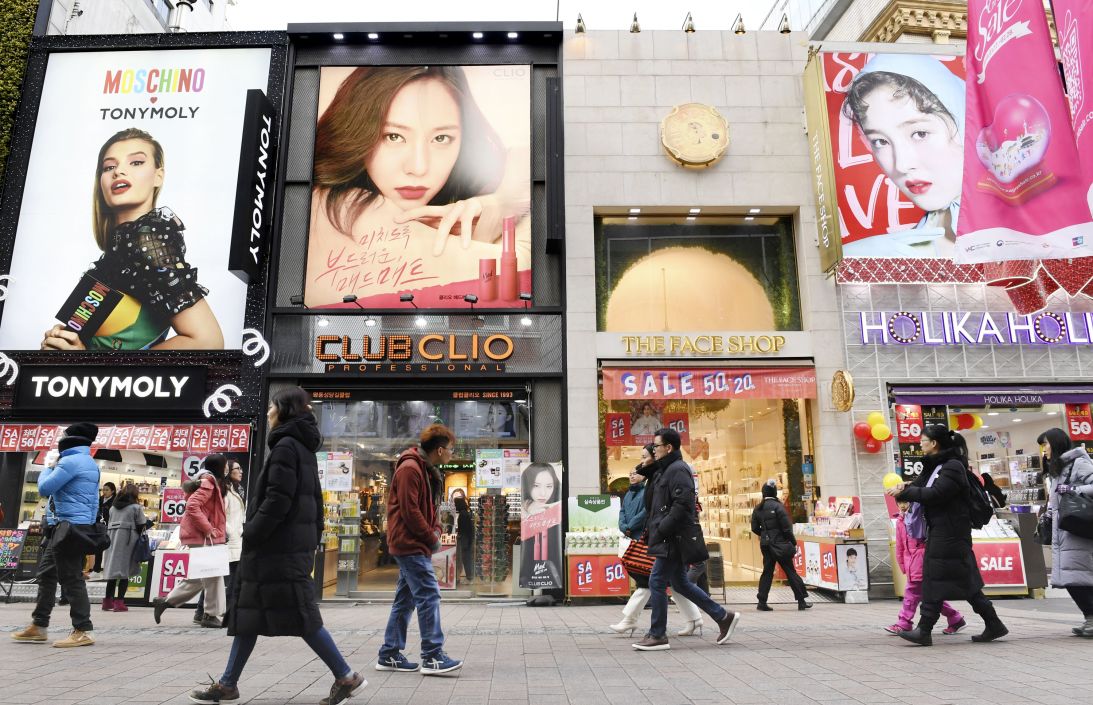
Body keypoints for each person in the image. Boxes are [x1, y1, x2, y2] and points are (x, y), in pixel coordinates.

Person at [189, 388, 365, 705]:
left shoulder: (286, 446)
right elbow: (313, 502)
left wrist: (251, 532)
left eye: (272, 406)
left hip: (275, 549)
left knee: (301, 614)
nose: (268, 412)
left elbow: (277, 501)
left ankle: (346, 675)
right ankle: (228, 683)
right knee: (249, 614)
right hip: (285, 547)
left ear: (283, 410)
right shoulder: (301, 447)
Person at [306, 66, 530, 307]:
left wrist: (494, 204)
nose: (418, 167)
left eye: (441, 138)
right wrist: (505, 205)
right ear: (356, 132)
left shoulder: (460, 202)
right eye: (393, 136)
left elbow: (525, 157)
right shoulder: (336, 206)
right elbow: (518, 272)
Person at [41, 127, 223, 351]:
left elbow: (207, 341)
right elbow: (86, 339)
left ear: (158, 176)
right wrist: (60, 344)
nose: (118, 172)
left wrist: (92, 365)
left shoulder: (148, 239)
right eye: (109, 167)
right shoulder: (117, 252)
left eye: (136, 162)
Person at [887, 426, 1008, 646]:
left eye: (923, 441)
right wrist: (905, 486)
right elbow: (923, 487)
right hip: (944, 531)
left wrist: (906, 492)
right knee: (966, 583)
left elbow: (937, 494)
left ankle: (924, 629)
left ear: (934, 443)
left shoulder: (952, 467)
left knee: (933, 579)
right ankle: (994, 623)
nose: (920, 444)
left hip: (951, 532)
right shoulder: (937, 466)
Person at [841, 54, 965, 258]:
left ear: (963, 123)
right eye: (880, 142)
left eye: (920, 134)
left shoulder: (1024, 225)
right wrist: (845, 260)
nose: (902, 165)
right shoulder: (898, 250)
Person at [632, 427, 740, 651]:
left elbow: (683, 505)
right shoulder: (665, 469)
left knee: (656, 581)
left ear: (668, 447)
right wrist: (650, 464)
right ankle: (723, 617)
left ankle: (658, 634)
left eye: (656, 446)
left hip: (673, 537)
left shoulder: (678, 470)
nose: (653, 450)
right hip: (669, 537)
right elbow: (644, 478)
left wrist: (662, 528)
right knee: (680, 583)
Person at [377, 424, 462, 675]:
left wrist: (434, 529)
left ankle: (389, 653)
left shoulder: (424, 469)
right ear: (439, 450)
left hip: (414, 543)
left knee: (405, 600)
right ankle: (433, 655)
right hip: (410, 543)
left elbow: (428, 509)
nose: (451, 454)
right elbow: (410, 511)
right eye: (450, 450)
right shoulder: (410, 469)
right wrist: (431, 537)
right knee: (429, 594)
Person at [11, 423, 101, 648]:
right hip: (67, 526)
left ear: (70, 438)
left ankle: (83, 629)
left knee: (71, 577)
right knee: (47, 574)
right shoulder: (87, 461)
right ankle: (39, 625)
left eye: (64, 434)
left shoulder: (70, 462)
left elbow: (44, 488)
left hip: (68, 527)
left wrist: (49, 466)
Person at [154, 454, 228, 629]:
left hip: (202, 535)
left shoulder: (208, 481)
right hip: (203, 535)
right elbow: (192, 506)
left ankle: (166, 601)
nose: (227, 469)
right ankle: (210, 615)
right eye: (225, 466)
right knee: (213, 575)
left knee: (201, 575)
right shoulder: (208, 482)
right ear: (219, 467)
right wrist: (208, 528)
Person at [1036, 428, 1093, 637]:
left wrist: (1074, 490)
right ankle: (1089, 618)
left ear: (1057, 443)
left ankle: (1091, 618)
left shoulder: (1079, 463)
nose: (1044, 449)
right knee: (1073, 577)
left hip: (1079, 529)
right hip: (1066, 531)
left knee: (1077, 577)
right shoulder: (1058, 468)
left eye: (1046, 444)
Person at [886, 500, 965, 635]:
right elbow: (900, 547)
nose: (903, 505)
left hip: (922, 561)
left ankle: (904, 622)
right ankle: (955, 618)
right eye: (900, 503)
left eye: (906, 502)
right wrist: (903, 565)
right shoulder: (899, 521)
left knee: (912, 592)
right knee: (930, 595)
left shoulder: (919, 517)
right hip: (911, 563)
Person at [751, 479, 811, 611]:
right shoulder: (779, 507)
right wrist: (793, 542)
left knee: (767, 572)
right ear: (774, 492)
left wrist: (765, 533)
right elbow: (786, 528)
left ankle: (762, 602)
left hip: (766, 545)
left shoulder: (758, 508)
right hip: (780, 544)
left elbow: (754, 527)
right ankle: (801, 600)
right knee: (790, 570)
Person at [100, 483, 147, 612]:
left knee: (113, 572)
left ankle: (107, 601)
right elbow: (141, 524)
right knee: (125, 572)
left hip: (112, 540)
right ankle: (119, 602)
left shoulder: (113, 508)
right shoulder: (135, 508)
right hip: (128, 540)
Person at [519, 462, 563, 589]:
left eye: (549, 486)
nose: (543, 493)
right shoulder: (525, 508)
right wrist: (527, 505)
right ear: (527, 485)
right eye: (536, 485)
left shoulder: (557, 509)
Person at [221, 460, 246, 623]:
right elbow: (221, 515)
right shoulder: (225, 491)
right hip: (231, 540)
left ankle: (203, 610)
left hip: (236, 539)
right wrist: (231, 532)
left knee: (220, 577)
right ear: (229, 472)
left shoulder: (236, 490)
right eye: (237, 468)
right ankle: (228, 613)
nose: (241, 471)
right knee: (231, 578)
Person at [90, 482, 117, 578]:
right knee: (99, 547)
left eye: (107, 490)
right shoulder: (100, 499)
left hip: (111, 527)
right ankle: (96, 569)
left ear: (112, 491)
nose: (104, 492)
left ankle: (109, 569)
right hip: (99, 527)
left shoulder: (115, 501)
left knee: (110, 549)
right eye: (103, 489)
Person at [451, 489, 474, 583]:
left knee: (465, 558)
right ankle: (469, 577)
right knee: (467, 558)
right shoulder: (465, 514)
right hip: (467, 539)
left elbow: (463, 529)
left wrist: (459, 536)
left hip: (465, 540)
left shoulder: (462, 515)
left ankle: (469, 577)